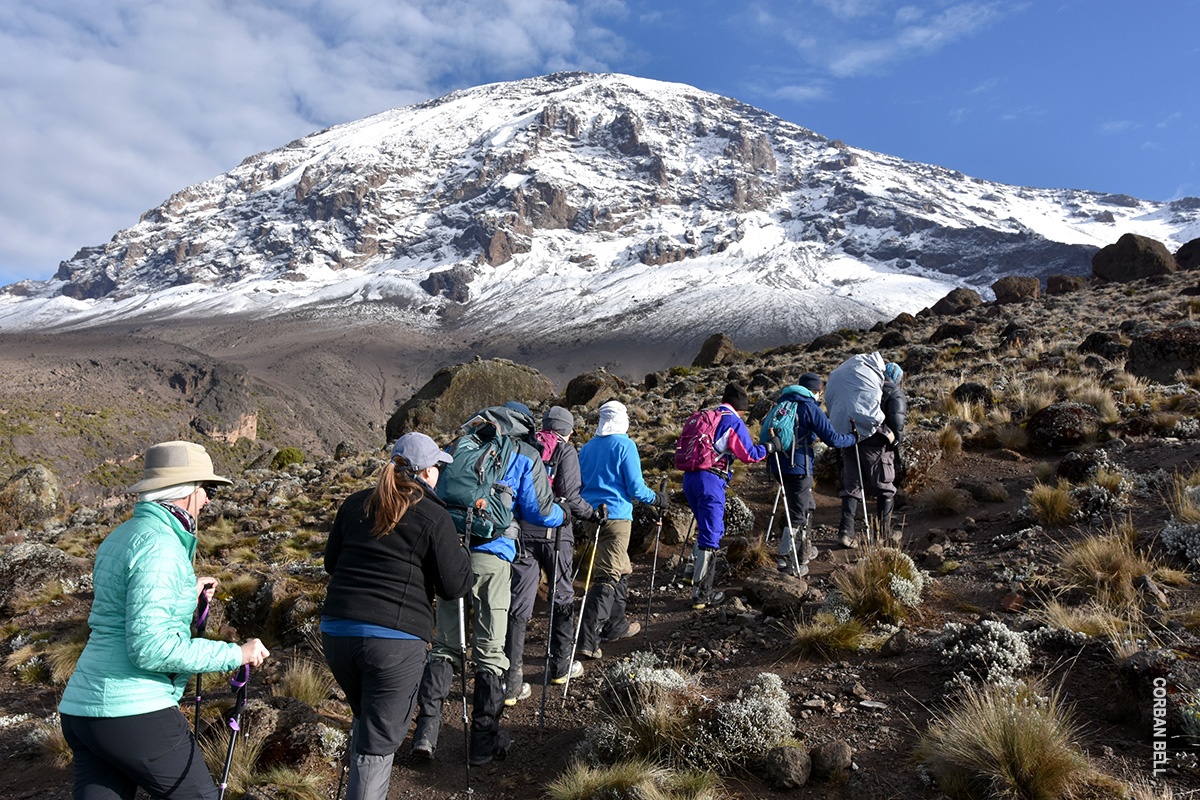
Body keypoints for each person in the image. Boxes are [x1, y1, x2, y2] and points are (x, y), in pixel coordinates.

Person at [58, 441, 271, 800]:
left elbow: (124, 606)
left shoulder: (121, 536)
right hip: (132, 710)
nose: (207, 500)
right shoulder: (162, 547)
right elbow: (150, 648)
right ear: (187, 491)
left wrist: (187, 590)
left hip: (82, 709)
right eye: (207, 490)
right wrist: (235, 654)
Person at [321, 432, 472, 800]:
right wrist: (462, 551)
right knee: (377, 744)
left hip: (337, 634)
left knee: (367, 720)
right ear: (426, 472)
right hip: (395, 642)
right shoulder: (434, 516)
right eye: (437, 465)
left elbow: (330, 564)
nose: (439, 471)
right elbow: (455, 586)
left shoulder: (355, 504)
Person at [412, 403, 564, 766]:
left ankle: (425, 734)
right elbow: (539, 512)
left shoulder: (460, 444)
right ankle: (482, 742)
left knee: (446, 643)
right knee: (490, 649)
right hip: (492, 558)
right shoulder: (525, 454)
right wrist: (563, 512)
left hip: (451, 550)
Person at [504, 406, 594, 705]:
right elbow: (570, 494)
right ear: (566, 428)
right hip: (557, 533)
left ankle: (512, 681)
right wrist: (592, 515)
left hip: (522, 535)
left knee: (519, 602)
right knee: (562, 594)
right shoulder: (566, 451)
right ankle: (560, 667)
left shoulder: (525, 445)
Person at [575, 400, 667, 658]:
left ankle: (617, 625)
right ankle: (588, 641)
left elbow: (579, 483)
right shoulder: (625, 445)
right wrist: (657, 499)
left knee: (621, 566)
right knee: (607, 576)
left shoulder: (587, 447)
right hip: (616, 518)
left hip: (590, 516)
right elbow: (636, 489)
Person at [680, 383, 782, 608]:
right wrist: (770, 447)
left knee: (705, 527)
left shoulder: (706, 415)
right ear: (741, 408)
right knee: (712, 533)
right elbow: (748, 455)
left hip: (690, 478)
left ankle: (690, 573)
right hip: (710, 480)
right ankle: (702, 594)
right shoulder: (733, 421)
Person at [765, 373, 856, 576]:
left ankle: (804, 551)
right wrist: (852, 438)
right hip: (799, 467)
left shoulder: (782, 405)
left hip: (779, 467)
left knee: (805, 506)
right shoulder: (809, 407)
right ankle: (788, 561)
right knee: (799, 513)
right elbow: (832, 438)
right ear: (815, 390)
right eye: (819, 392)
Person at [828, 355, 907, 548]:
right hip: (876, 443)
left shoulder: (862, 386)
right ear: (897, 378)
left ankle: (845, 533)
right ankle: (883, 534)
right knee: (884, 486)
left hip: (850, 437)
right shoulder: (893, 391)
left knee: (852, 485)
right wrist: (895, 443)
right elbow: (897, 424)